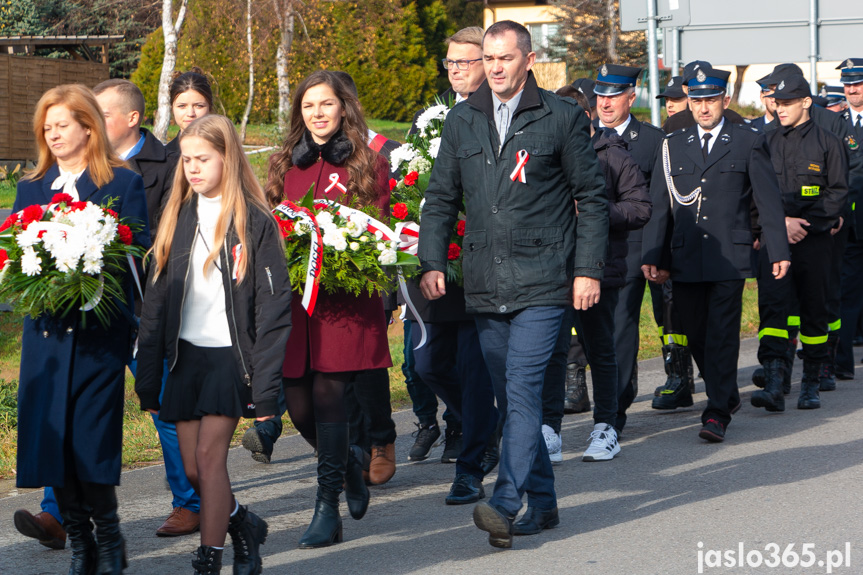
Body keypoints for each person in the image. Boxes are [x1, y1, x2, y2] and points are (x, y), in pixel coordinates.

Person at [419, 21, 609, 548]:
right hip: (485, 280)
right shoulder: (462, 121)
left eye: (506, 58)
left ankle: (505, 499)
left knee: (523, 389)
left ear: (528, 60)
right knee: (511, 398)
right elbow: (440, 198)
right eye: (489, 58)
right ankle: (544, 503)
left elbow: (591, 199)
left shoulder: (562, 118)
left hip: (546, 281)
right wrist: (432, 259)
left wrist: (587, 270)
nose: (496, 67)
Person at [135, 114, 291, 574]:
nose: (193, 169)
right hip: (186, 358)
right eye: (186, 161)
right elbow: (155, 306)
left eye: (203, 159)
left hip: (230, 360)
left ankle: (211, 558)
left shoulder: (254, 222)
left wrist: (265, 396)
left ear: (228, 158)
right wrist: (148, 378)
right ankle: (243, 524)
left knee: (209, 458)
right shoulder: (178, 217)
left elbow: (273, 311)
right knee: (192, 469)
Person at [13, 84, 150, 574]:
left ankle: (109, 540)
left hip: (99, 338)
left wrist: (90, 267)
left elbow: (137, 257)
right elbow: (15, 258)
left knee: (88, 441)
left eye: (62, 125)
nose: (52, 134)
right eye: (46, 127)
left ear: (88, 127)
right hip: (47, 339)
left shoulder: (121, 183)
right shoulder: (31, 187)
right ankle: (80, 543)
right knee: (54, 447)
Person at [265, 70, 390, 548]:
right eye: (308, 106)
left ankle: (327, 506)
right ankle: (350, 468)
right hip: (295, 304)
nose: (317, 114)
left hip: (344, 302)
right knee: (297, 405)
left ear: (344, 108)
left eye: (327, 104)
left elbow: (378, 227)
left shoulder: (368, 162)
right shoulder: (282, 164)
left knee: (328, 397)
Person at [641, 67, 790, 442]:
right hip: (686, 255)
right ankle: (726, 392)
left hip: (730, 253)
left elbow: (766, 200)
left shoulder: (747, 140)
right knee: (695, 333)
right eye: (697, 101)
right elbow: (661, 205)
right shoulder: (673, 144)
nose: (704, 108)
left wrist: (777, 249)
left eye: (710, 100)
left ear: (724, 100)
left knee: (723, 333)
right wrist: (654, 254)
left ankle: (716, 412)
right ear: (689, 102)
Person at [93, 78, 202, 538]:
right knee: (81, 404)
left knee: (162, 405)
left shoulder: (176, 162)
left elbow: (184, 233)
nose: (91, 124)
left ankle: (191, 501)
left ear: (132, 119)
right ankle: (56, 511)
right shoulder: (84, 165)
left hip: (151, 303)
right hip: (94, 306)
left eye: (102, 115)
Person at [403, 26, 501, 506]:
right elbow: (421, 185)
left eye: (465, 62)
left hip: (482, 263)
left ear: (488, 63)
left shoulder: (496, 115)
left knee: (475, 367)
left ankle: (473, 459)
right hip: (439, 259)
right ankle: (484, 423)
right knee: (427, 362)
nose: (456, 71)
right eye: (450, 63)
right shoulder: (433, 118)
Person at [541, 86, 651, 462]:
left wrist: (594, 210)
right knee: (554, 353)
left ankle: (606, 427)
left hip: (599, 268)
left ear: (584, 116)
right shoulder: (549, 153)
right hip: (553, 270)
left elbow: (639, 208)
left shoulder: (613, 155)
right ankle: (551, 431)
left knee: (600, 349)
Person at [750, 75, 848, 412]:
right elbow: (753, 193)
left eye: (788, 102)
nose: (780, 109)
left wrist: (806, 224)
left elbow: (837, 192)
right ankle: (775, 384)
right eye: (777, 103)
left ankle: (811, 383)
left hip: (815, 241)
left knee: (814, 311)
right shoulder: (763, 141)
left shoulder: (828, 142)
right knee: (774, 310)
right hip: (776, 241)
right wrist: (779, 224)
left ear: (806, 102)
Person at [591, 63, 672, 428]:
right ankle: (614, 400)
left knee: (623, 327)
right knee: (608, 329)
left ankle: (615, 410)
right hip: (596, 250)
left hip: (637, 248)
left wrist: (655, 252)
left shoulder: (653, 140)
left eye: (613, 95)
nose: (605, 104)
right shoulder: (583, 137)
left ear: (631, 96)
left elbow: (656, 203)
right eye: (600, 96)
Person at [836, 58, 863, 381]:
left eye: (858, 83)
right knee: (846, 294)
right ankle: (841, 361)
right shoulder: (837, 124)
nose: (853, 89)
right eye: (848, 84)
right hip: (851, 226)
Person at [166, 68, 213, 153]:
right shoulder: (163, 159)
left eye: (198, 106)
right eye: (182, 106)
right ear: (172, 108)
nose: (190, 113)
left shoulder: (225, 153)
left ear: (210, 107)